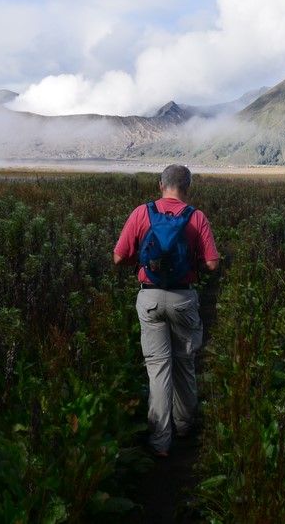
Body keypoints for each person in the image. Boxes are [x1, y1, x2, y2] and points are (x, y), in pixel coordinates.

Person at [113, 164, 221, 457]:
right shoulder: (196, 217)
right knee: (185, 363)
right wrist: (190, 264)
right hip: (183, 298)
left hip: (149, 298)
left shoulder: (141, 213)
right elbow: (212, 264)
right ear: (187, 187)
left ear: (160, 185)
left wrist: (144, 262)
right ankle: (184, 426)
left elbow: (119, 256)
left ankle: (160, 441)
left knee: (158, 369)